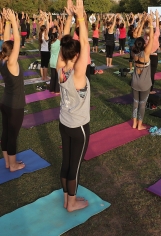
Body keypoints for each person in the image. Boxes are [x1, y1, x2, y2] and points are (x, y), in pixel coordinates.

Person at [56, 0, 90, 212]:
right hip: (78, 127)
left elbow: (63, 42)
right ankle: (71, 203)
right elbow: (85, 43)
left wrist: (70, 16)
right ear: (76, 56)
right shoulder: (78, 74)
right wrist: (80, 17)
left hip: (64, 123)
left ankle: (66, 199)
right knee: (74, 167)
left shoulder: (61, 68)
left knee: (66, 162)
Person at [0, 8, 26, 172]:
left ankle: (7, 163)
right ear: (13, 53)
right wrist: (14, 22)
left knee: (6, 132)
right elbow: (16, 38)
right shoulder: (11, 63)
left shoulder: (2, 60)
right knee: (12, 136)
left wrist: (8, 22)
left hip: (5, 103)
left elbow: (5, 39)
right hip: (15, 105)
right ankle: (13, 165)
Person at [131, 14, 153, 130]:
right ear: (144, 44)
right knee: (142, 104)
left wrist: (142, 22)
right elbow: (152, 38)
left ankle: (134, 123)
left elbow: (136, 40)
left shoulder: (134, 53)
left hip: (135, 81)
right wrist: (150, 23)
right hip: (144, 84)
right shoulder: (146, 54)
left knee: (135, 103)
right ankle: (139, 125)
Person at [49, 20, 62, 94]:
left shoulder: (50, 43)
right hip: (57, 62)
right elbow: (60, 33)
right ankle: (57, 90)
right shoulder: (57, 42)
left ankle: (52, 89)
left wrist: (54, 26)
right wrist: (57, 25)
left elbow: (54, 34)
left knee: (53, 77)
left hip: (51, 62)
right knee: (57, 77)